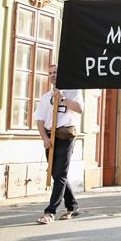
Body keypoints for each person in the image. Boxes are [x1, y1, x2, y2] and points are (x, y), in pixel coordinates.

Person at [35, 64, 84, 223]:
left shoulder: (73, 91)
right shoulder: (46, 97)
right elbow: (40, 120)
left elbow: (80, 109)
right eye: (50, 73)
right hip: (50, 137)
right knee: (56, 174)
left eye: (55, 72)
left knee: (60, 174)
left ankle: (50, 212)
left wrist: (63, 98)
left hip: (65, 136)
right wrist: (45, 138)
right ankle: (73, 206)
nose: (53, 75)